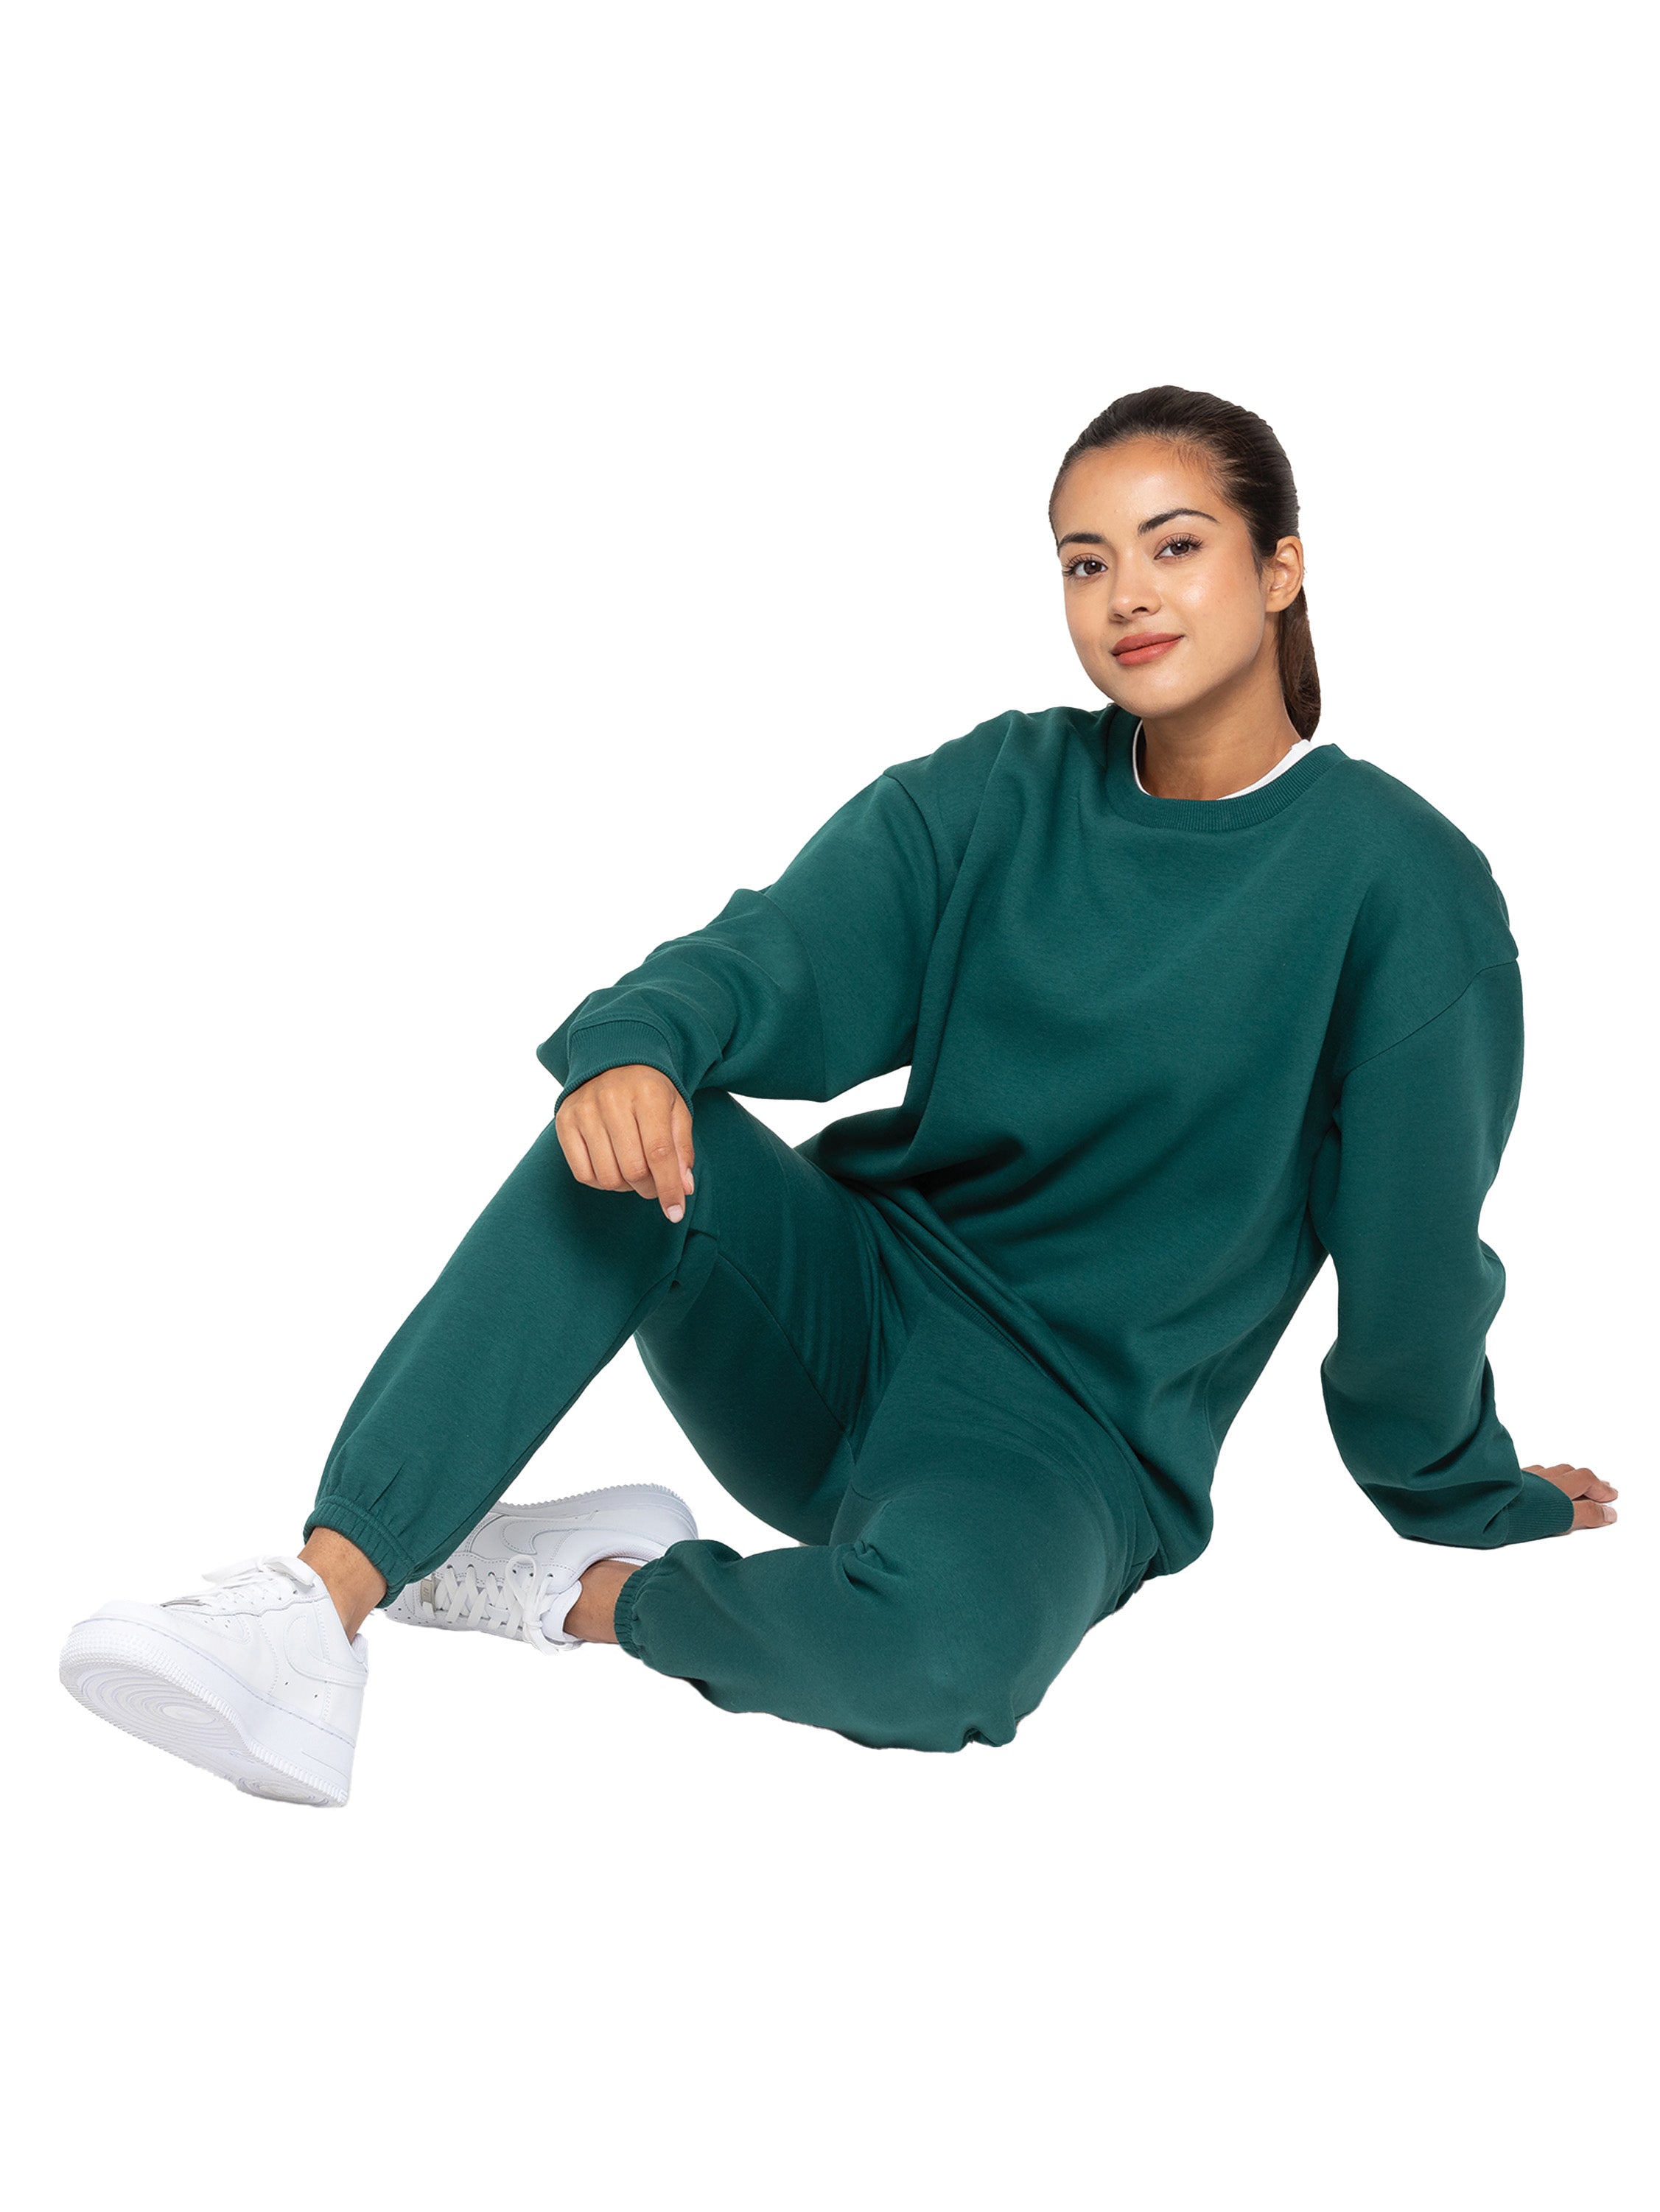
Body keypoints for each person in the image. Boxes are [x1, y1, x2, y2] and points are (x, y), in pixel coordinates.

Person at [59, 385, 1617, 1805]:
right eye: (1083, 563)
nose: (1126, 596)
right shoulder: (1002, 789)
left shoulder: (1400, 887)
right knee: (633, 1120)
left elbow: (1412, 1249)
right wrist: (637, 1044)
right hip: (836, 1319)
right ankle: (318, 1601)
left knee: (946, 1668)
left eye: (1174, 546)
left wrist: (1465, 1486)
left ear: (1279, 570)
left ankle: (578, 1585)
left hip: (1064, 1442)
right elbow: (782, 952)